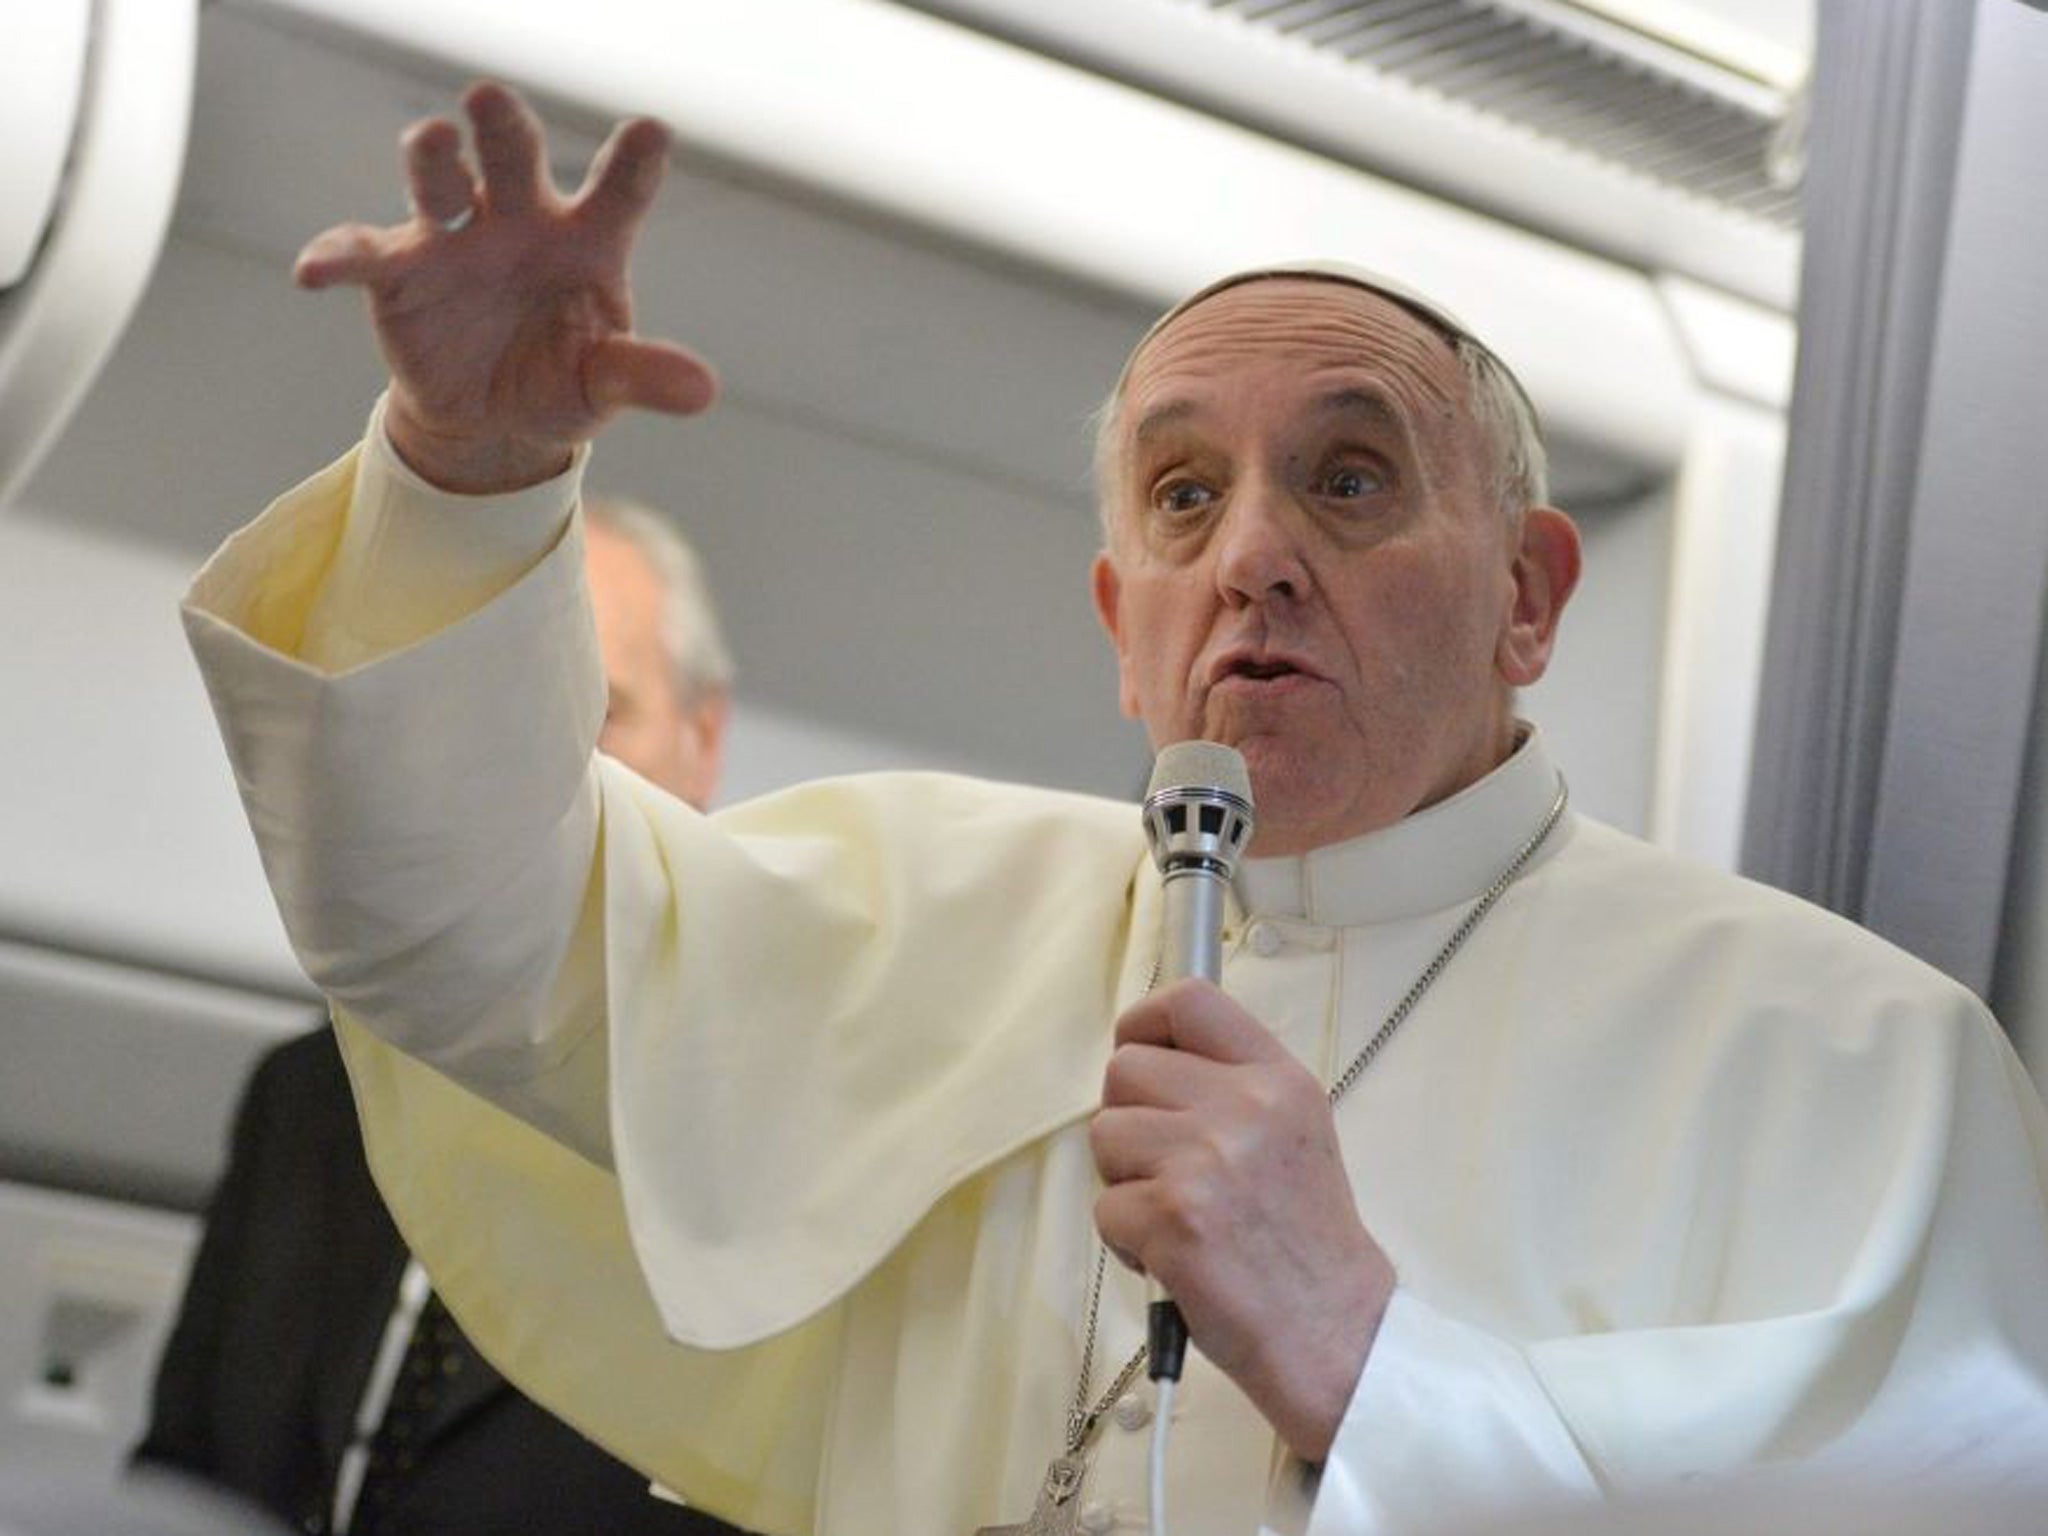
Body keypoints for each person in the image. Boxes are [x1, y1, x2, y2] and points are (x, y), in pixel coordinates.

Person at [178, 82, 2048, 1536]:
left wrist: (1374, 1369)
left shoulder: (1847, 1064)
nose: (1252, 556)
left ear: (1529, 598)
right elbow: (452, 929)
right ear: (1116, 626)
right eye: (1178, 496)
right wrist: (466, 483)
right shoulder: (916, 909)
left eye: (1347, 477)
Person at [140, 493, 747, 1536]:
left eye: (600, 708)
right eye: (498, 717)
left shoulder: (767, 1144)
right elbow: (175, 1480)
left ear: (702, 740)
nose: (547, 766)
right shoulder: (309, 1098)